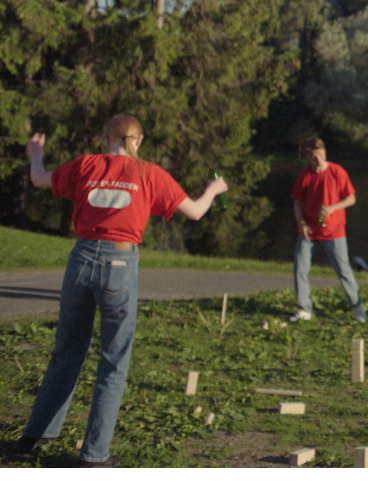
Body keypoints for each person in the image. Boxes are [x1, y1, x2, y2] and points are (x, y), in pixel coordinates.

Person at [16, 116, 228, 467]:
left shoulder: (85, 165)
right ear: (139, 140)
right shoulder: (150, 174)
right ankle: (94, 455)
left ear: (106, 138)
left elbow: (39, 179)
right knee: (113, 362)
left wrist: (35, 154)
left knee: (66, 351)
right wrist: (212, 191)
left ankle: (34, 435)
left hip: (81, 259)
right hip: (120, 265)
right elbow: (194, 212)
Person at [290, 137, 366, 323]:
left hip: (334, 231)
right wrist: (301, 224)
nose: (319, 159)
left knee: (344, 271)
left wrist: (332, 208)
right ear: (308, 157)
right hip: (309, 232)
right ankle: (304, 309)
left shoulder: (337, 172)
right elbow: (297, 204)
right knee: (300, 269)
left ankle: (358, 309)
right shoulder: (304, 176)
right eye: (314, 157)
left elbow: (351, 199)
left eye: (321, 154)